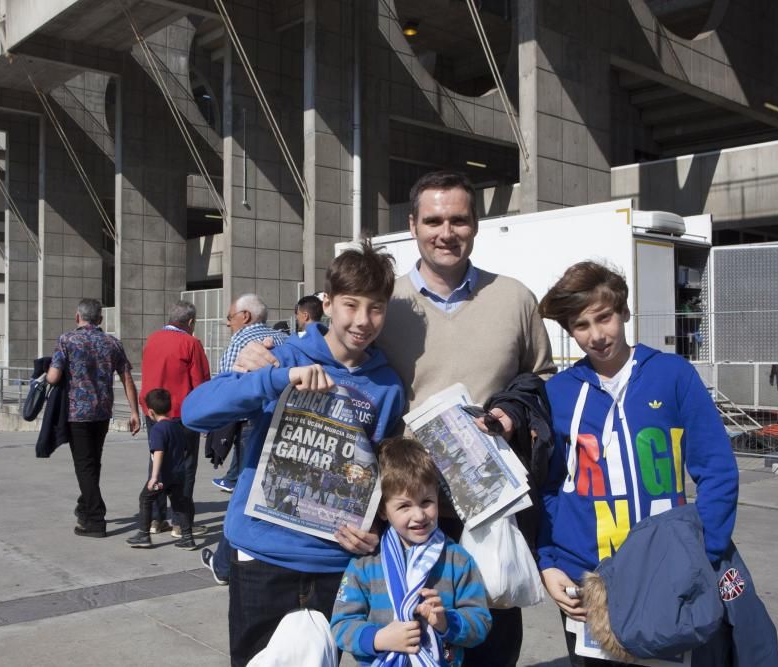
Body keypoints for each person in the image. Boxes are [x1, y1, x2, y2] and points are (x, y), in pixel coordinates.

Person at [235, 170, 557, 666]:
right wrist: (266, 350)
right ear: (413, 225)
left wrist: (511, 413)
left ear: (476, 224)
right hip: (404, 516)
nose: (445, 231)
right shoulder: (387, 304)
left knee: (488, 645)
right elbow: (333, 344)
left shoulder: (515, 298)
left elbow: (539, 381)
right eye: (433, 220)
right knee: (404, 650)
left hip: (486, 520)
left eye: (458, 220)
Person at [182, 241, 405, 666]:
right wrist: (274, 378)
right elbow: (195, 413)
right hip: (262, 556)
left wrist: (377, 528)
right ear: (327, 303)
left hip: (335, 562)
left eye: (375, 308)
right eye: (350, 305)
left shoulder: (387, 385)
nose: (362, 320)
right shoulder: (278, 356)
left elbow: (382, 471)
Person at [536, 261, 739, 665]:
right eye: (581, 325)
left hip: (669, 572)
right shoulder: (557, 394)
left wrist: (705, 554)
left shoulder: (672, 374)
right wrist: (549, 562)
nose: (596, 336)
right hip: (588, 579)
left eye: (604, 317)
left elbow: (716, 469)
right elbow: (547, 487)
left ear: (625, 312)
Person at [331, 437, 492, 666]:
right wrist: (379, 638)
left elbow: (480, 621)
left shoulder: (457, 560)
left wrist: (447, 623)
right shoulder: (365, 563)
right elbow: (341, 624)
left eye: (426, 501)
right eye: (404, 506)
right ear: (383, 511)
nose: (419, 515)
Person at [47, 298, 141, 538]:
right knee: (93, 462)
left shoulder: (66, 340)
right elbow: (127, 378)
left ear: (78, 317)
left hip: (77, 412)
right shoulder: (112, 343)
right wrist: (134, 412)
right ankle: (85, 507)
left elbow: (54, 377)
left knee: (84, 465)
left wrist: (45, 372)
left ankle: (95, 519)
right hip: (102, 412)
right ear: (100, 319)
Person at [139, 301, 211, 537]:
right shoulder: (191, 343)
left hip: (153, 411)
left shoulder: (152, 339)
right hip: (181, 414)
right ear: (190, 322)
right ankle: (181, 523)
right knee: (185, 468)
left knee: (157, 462)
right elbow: (200, 383)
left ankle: (156, 519)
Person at [212, 293, 288, 494]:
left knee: (247, 485)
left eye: (230, 317)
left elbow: (230, 386)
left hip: (252, 420)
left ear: (245, 316)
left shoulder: (240, 340)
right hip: (283, 420)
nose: (228, 324)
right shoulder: (283, 338)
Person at [126, 388, 198, 550]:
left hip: (163, 476)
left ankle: (144, 535)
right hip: (179, 474)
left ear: (150, 412)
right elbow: (186, 449)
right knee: (180, 505)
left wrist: (154, 476)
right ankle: (187, 538)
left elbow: (158, 452)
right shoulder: (177, 426)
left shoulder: (158, 430)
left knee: (145, 498)